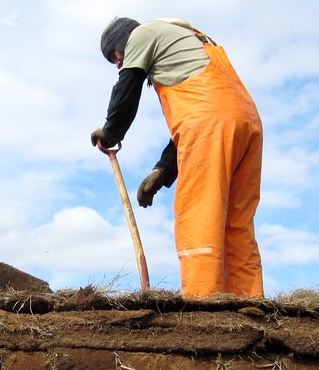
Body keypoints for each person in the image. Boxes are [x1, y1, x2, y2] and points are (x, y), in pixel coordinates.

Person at [91, 17, 264, 299]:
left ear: (124, 39)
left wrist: (111, 132)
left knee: (198, 210)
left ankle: (202, 301)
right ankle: (249, 300)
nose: (118, 63)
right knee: (237, 221)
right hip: (247, 123)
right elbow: (203, 115)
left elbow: (127, 90)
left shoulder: (141, 34)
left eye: (115, 55)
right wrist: (162, 171)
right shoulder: (191, 42)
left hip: (210, 124)